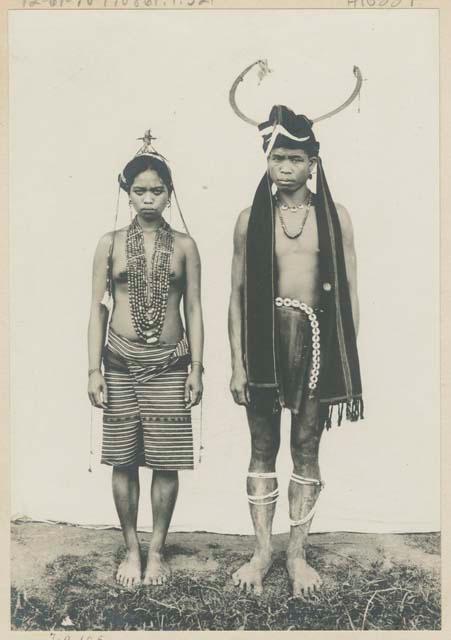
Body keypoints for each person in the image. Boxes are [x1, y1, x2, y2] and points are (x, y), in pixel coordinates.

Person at [228, 104, 363, 598]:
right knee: (263, 446)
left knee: (305, 448)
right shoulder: (249, 221)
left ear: (313, 163)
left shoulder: (335, 218)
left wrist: (342, 361)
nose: (284, 167)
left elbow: (349, 296)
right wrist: (239, 363)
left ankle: (297, 553)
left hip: (317, 346)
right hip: (265, 346)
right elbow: (237, 296)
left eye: (294, 158)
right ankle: (262, 551)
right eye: (276, 156)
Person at [87, 131, 204, 588]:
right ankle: (131, 550)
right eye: (140, 191)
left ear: (170, 193)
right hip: (118, 362)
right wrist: (93, 369)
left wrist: (198, 367)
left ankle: (157, 550)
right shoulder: (110, 243)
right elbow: (98, 306)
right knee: (123, 460)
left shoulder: (186, 246)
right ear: (127, 193)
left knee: (165, 461)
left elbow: (193, 307)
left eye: (157, 190)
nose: (149, 198)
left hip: (171, 364)